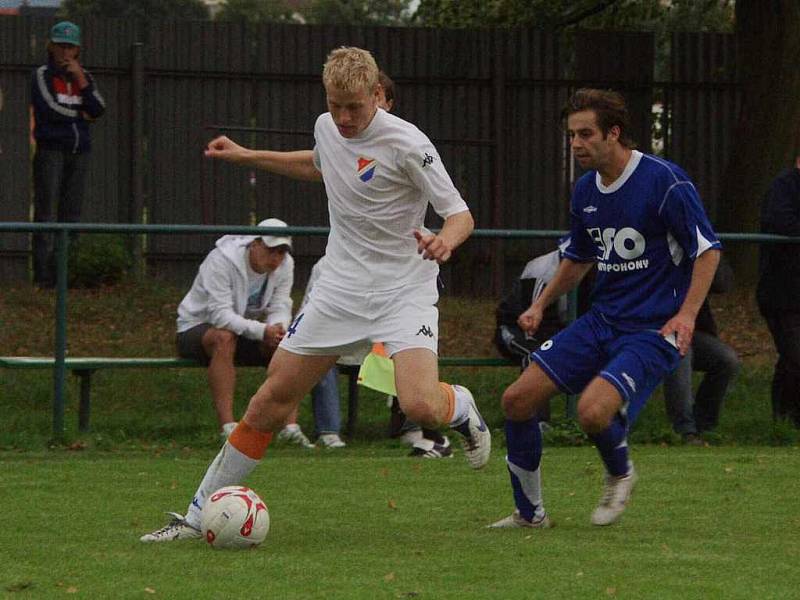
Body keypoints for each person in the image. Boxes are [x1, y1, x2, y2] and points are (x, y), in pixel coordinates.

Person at [141, 46, 489, 542]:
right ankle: (196, 519)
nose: (344, 118)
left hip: (402, 289)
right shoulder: (328, 127)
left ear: (377, 96)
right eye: (335, 105)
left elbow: (460, 213)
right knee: (269, 401)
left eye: (355, 107)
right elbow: (320, 163)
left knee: (420, 406)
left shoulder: (409, 143)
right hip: (339, 289)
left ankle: (461, 406)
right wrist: (245, 155)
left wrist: (444, 241)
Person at [489, 88, 721, 530]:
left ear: (614, 133)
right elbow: (578, 257)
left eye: (585, 134)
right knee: (517, 400)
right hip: (601, 321)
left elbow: (707, 251)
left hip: (654, 328)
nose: (576, 144)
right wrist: (540, 304)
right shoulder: (584, 190)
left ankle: (620, 474)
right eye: (571, 135)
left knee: (592, 411)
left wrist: (687, 315)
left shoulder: (663, 180)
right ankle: (529, 514)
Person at [175, 218, 312, 446]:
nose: (275, 258)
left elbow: (280, 304)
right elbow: (220, 315)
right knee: (224, 338)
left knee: (285, 343)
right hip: (195, 328)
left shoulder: (286, 264)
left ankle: (290, 428)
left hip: (245, 331)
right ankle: (228, 428)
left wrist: (278, 328)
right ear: (254, 243)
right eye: (270, 250)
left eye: (281, 252)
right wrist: (262, 330)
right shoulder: (221, 260)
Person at [30, 21, 106, 288]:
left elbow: (98, 107)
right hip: (51, 150)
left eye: (70, 47)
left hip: (79, 151)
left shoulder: (84, 76)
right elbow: (49, 109)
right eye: (60, 46)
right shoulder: (41, 74)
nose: (65, 52)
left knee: (71, 216)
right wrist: (81, 116)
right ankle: (43, 278)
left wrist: (81, 80)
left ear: (77, 50)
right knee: (46, 214)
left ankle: (68, 274)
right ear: (50, 47)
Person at [494, 237, 574, 423]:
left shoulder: (596, 271)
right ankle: (536, 422)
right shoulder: (542, 272)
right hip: (515, 326)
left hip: (553, 327)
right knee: (535, 356)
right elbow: (529, 321)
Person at [662, 257, 740, 443]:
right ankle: (685, 429)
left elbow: (723, 283)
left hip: (688, 327)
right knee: (681, 349)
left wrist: (707, 256)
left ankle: (704, 425)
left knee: (727, 360)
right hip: (653, 326)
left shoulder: (697, 244)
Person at [757, 154, 800, 427]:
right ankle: (785, 418)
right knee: (795, 357)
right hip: (783, 294)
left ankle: (785, 420)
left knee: (791, 359)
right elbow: (781, 222)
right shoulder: (784, 186)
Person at [303, 256, 347, 449]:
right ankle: (329, 432)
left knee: (405, 347)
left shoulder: (393, 262)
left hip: (376, 340)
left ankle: (413, 429)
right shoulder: (325, 265)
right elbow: (309, 310)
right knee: (321, 351)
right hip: (335, 336)